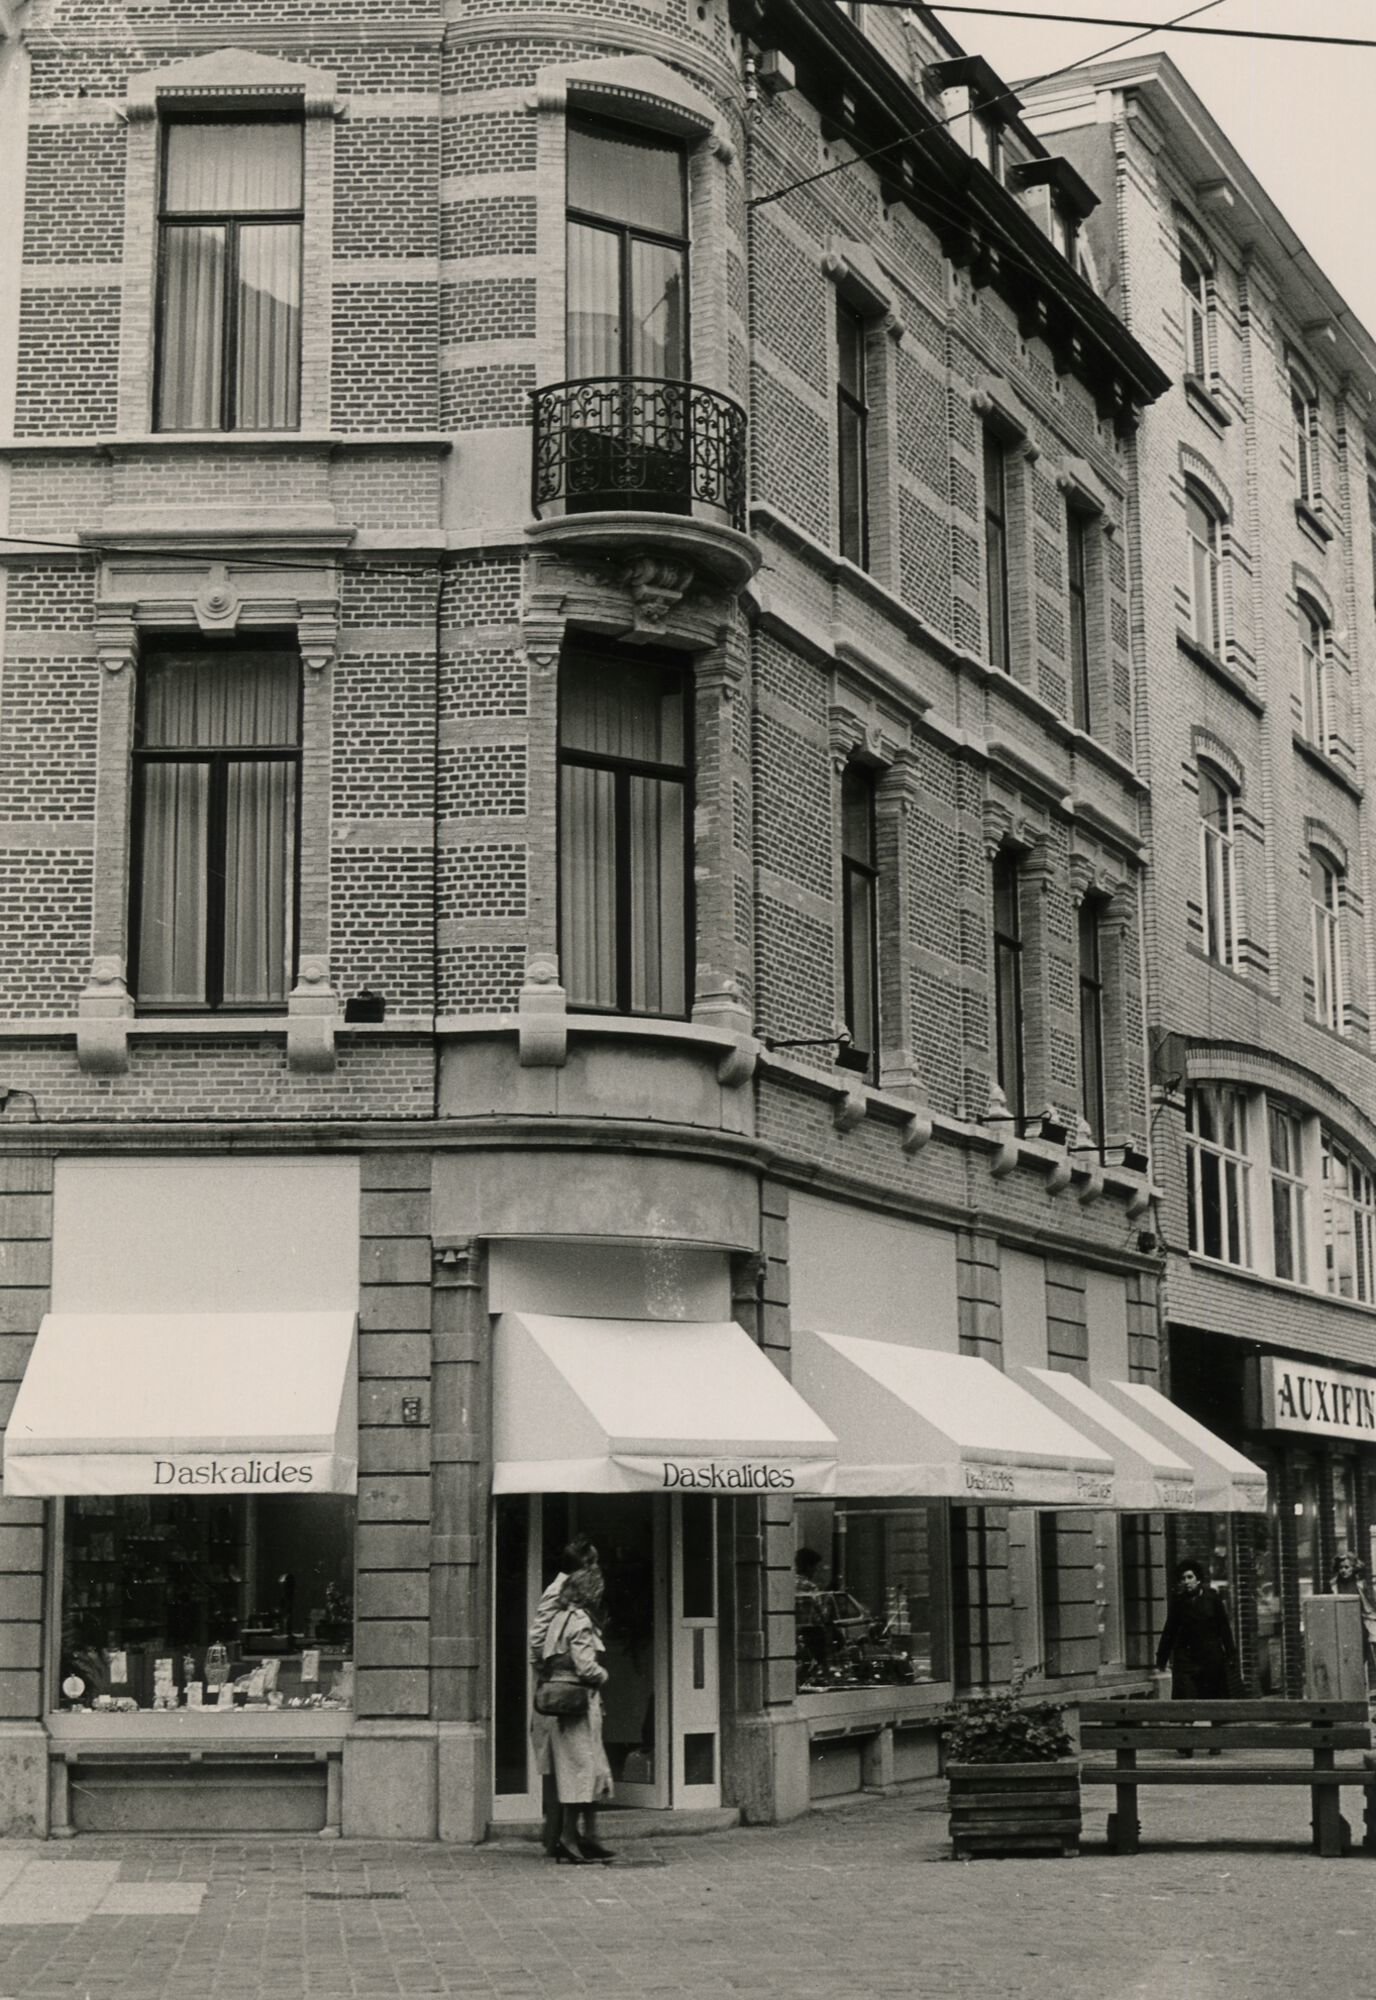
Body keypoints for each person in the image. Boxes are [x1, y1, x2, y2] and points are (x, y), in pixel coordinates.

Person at [530, 1565, 614, 1864]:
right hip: (578, 1705)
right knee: (582, 1771)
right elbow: (586, 1666)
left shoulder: (558, 1618)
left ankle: (579, 1837)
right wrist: (603, 1675)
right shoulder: (580, 1622)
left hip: (561, 1704)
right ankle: (568, 1838)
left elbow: (540, 1651)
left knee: (576, 1771)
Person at [1155, 1558, 1238, 1756]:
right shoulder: (1179, 1603)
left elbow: (1224, 1628)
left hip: (1211, 1657)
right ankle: (1186, 1742)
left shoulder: (1212, 1599)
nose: (1187, 1581)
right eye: (1183, 1578)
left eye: (1190, 1577)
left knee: (1212, 1700)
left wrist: (1231, 1654)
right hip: (1186, 1658)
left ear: (1198, 1579)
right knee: (1186, 1698)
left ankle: (1215, 1741)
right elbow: (1170, 1631)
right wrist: (1162, 1658)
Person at [1329, 1553, 1376, 1682]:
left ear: (1353, 1568)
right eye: (1340, 1568)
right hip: (1340, 1625)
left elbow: (1369, 1605)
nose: (1343, 1570)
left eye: (1347, 1567)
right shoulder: (1333, 1585)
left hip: (1359, 1625)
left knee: (1362, 1655)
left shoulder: (1361, 1585)